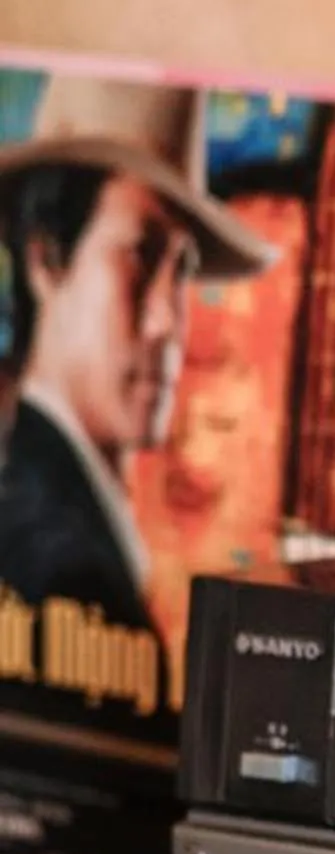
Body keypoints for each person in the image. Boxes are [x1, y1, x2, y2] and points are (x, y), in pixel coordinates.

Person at [0, 73, 273, 642]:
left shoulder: (71, 517)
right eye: (140, 255)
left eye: (184, 271)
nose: (167, 321)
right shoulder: (58, 559)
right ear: (46, 259)